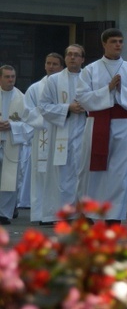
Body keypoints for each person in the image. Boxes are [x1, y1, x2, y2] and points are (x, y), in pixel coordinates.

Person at [77, 29, 127, 223]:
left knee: (120, 171)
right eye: (113, 41)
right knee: (92, 169)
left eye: (120, 41)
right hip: (97, 123)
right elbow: (82, 98)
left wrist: (121, 91)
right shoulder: (90, 70)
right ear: (104, 44)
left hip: (123, 123)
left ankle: (114, 215)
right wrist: (108, 89)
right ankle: (90, 212)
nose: (118, 45)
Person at [39, 45, 87, 223]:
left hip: (84, 130)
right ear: (65, 58)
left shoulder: (88, 77)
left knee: (83, 174)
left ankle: (82, 213)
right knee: (63, 175)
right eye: (69, 55)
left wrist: (86, 107)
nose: (73, 58)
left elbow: (99, 101)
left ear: (83, 59)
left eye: (77, 55)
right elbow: (43, 106)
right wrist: (68, 108)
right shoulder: (54, 80)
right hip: (62, 132)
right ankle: (64, 214)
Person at [22, 53, 64, 223]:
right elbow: (27, 112)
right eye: (48, 63)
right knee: (40, 175)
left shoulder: (64, 85)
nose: (51, 66)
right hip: (43, 134)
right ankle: (41, 214)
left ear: (61, 67)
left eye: (55, 64)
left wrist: (57, 115)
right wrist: (47, 118)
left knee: (59, 175)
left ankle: (58, 213)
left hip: (61, 134)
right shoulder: (34, 88)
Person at [0, 65, 33, 225]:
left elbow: (29, 123)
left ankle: (4, 213)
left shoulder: (21, 98)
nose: (10, 80)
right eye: (7, 77)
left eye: (13, 76)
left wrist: (12, 126)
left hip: (11, 143)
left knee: (9, 177)